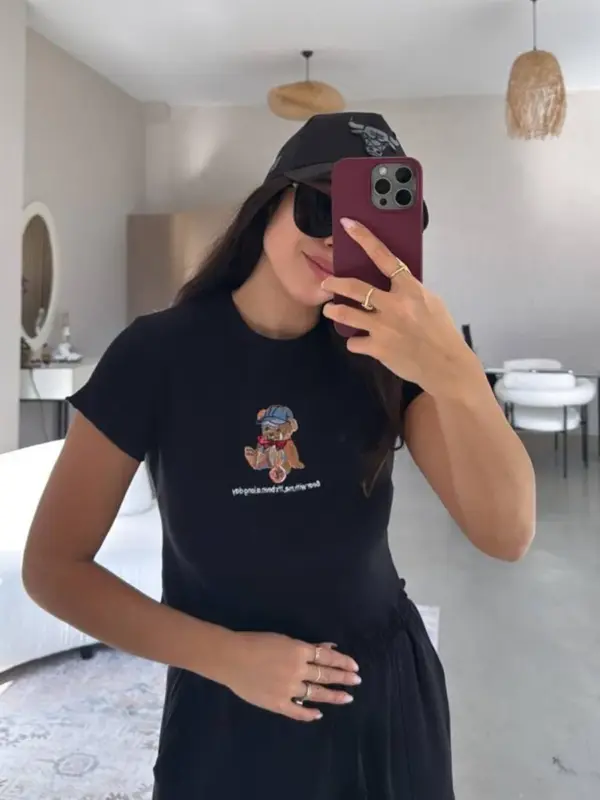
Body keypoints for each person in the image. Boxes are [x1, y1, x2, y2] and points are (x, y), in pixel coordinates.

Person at [22, 112, 536, 799]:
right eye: (321, 208)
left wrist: (459, 374)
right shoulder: (156, 354)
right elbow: (52, 568)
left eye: (371, 227)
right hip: (227, 713)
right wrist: (229, 658)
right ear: (270, 203)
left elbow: (507, 535)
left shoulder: (386, 359)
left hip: (385, 702)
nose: (337, 241)